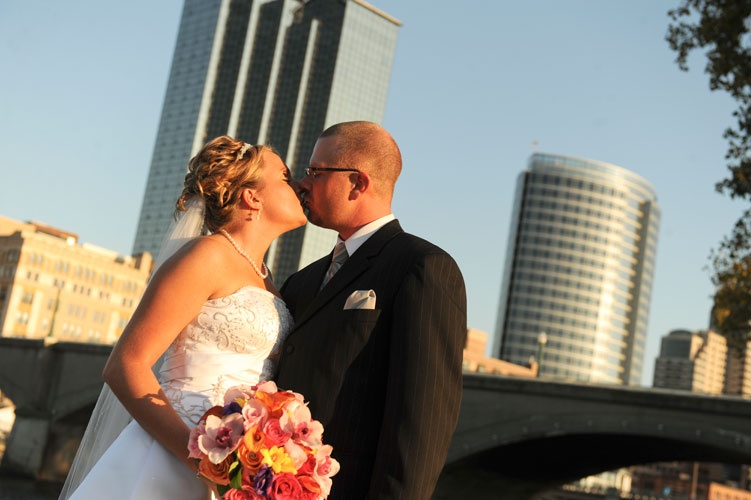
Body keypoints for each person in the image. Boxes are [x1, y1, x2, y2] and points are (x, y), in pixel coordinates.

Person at [60, 136, 307, 499]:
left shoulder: (268, 279)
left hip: (236, 463)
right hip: (173, 454)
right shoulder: (207, 256)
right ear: (252, 197)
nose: (299, 184)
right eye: (285, 177)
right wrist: (198, 461)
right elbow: (125, 365)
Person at [276, 121, 467, 499]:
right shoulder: (300, 282)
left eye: (316, 172)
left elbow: (422, 420)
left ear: (358, 183)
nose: (303, 183)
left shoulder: (422, 267)